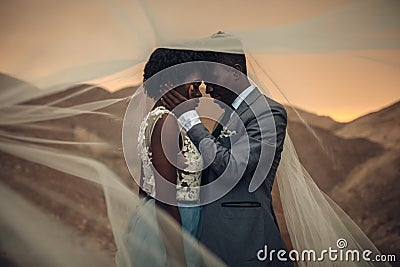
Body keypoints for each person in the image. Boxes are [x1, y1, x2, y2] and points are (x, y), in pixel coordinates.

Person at [162, 49, 295, 266]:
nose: (207, 88)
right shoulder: (229, 113)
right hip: (213, 239)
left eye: (211, 78)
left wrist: (189, 120)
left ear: (235, 72)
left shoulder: (268, 112)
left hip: (244, 240)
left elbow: (233, 168)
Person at [119, 48, 204, 267]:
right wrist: (178, 257)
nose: (199, 93)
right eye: (194, 85)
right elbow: (166, 198)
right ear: (171, 82)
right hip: (173, 228)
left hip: (155, 220)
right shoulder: (167, 123)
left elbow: (144, 187)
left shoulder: (153, 120)